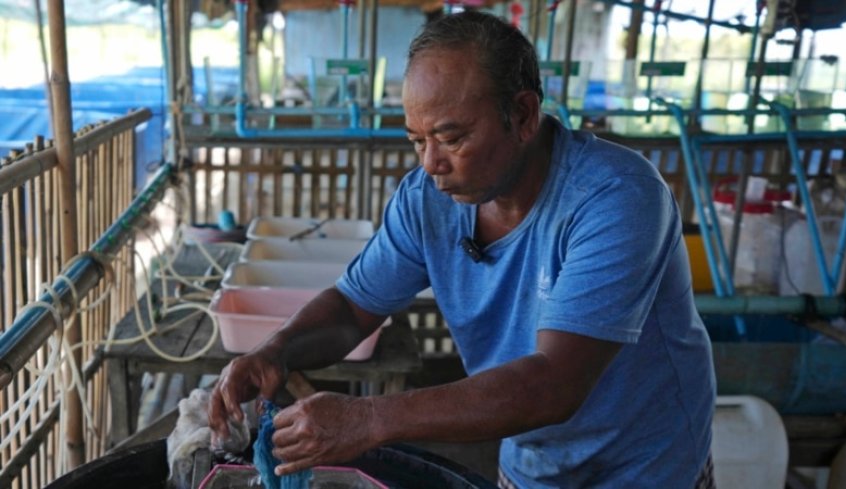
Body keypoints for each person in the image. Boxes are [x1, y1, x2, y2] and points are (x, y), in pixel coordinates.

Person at [209, 10, 716, 488]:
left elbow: (554, 384)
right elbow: (350, 308)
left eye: (451, 138)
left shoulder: (616, 198)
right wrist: (274, 349)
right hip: (533, 462)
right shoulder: (427, 200)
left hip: (644, 467)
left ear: (521, 115)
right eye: (416, 140)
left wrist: (370, 418)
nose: (431, 163)